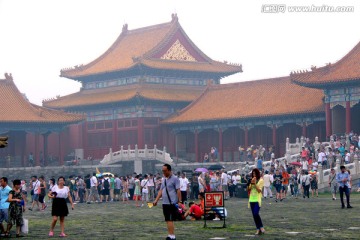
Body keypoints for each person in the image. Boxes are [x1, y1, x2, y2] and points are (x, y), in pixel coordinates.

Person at [153, 164, 181, 240]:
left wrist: (179, 201)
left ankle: (172, 236)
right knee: (167, 219)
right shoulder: (164, 179)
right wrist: (156, 200)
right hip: (164, 202)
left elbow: (178, 190)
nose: (164, 172)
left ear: (169, 170)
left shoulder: (175, 179)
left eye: (165, 171)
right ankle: (170, 235)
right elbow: (161, 190)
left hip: (171, 202)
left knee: (170, 219)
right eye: (163, 171)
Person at [247, 168, 265, 235]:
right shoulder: (252, 180)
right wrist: (251, 183)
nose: (254, 175)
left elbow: (259, 190)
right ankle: (258, 228)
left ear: (257, 174)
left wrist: (255, 184)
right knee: (254, 216)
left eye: (255, 173)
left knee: (256, 213)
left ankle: (261, 226)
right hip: (251, 199)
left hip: (257, 199)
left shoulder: (261, 180)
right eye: (253, 173)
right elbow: (249, 188)